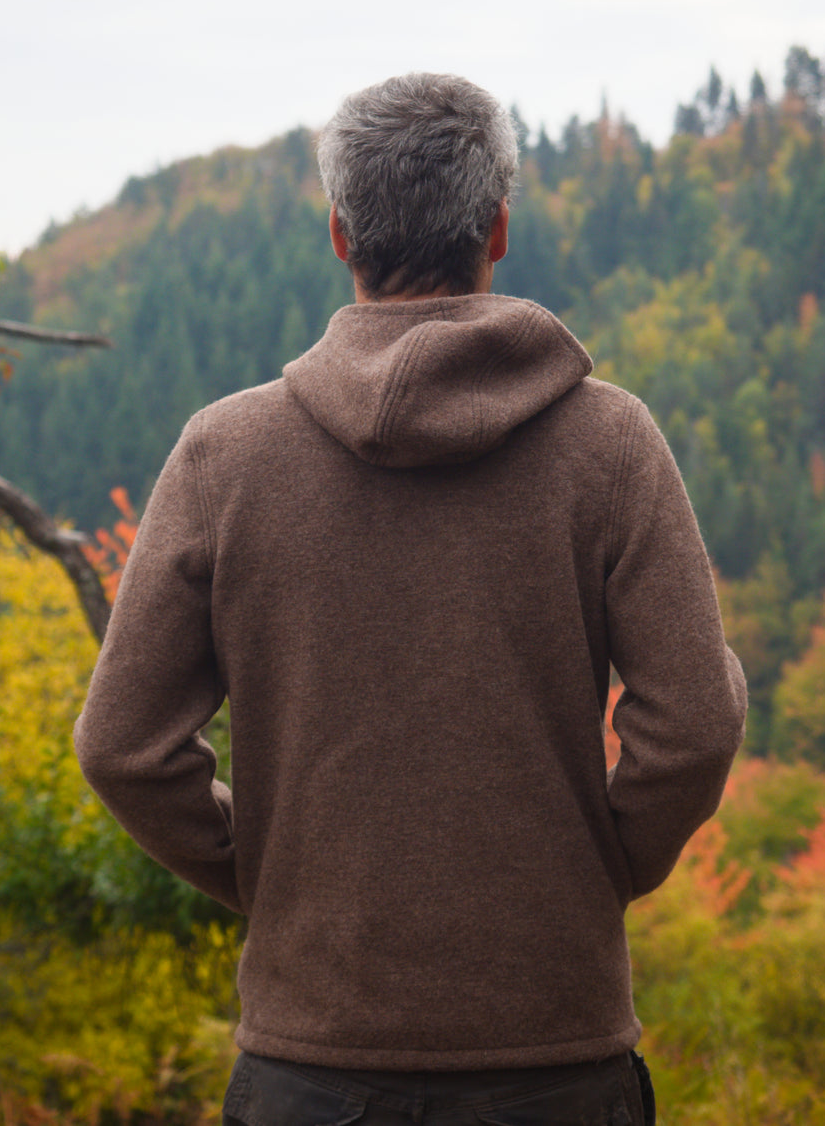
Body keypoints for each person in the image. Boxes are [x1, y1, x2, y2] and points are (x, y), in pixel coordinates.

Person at [74, 72, 747, 1126]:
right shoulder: (609, 441)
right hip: (554, 1058)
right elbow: (695, 724)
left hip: (310, 1063)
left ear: (339, 233)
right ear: (498, 228)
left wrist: (276, 882)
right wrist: (591, 872)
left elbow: (122, 746)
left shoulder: (224, 454)